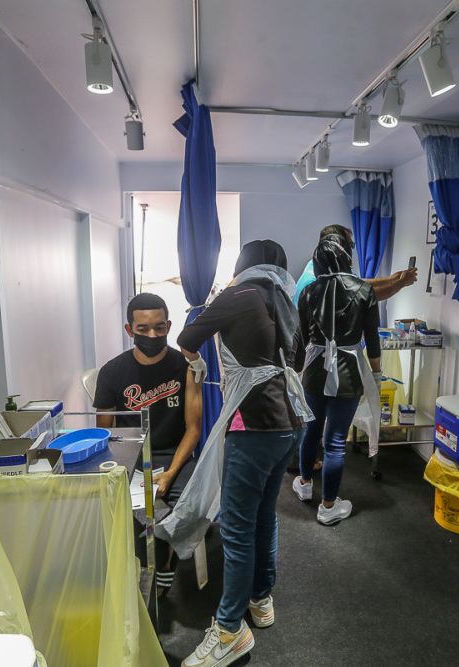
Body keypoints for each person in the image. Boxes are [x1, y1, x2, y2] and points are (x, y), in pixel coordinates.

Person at [175, 240, 309, 667]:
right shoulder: (288, 302)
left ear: (241, 266)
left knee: (235, 527)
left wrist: (197, 364)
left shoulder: (238, 294)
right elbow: (298, 357)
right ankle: (260, 596)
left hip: (252, 424)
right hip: (292, 422)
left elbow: (187, 337)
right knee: (265, 514)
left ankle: (230, 629)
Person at [93, 292, 202, 595]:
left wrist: (170, 473)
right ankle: (149, 563)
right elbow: (106, 434)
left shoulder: (186, 367)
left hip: (176, 455)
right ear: (130, 330)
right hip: (132, 457)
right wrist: (129, 472)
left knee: (191, 505)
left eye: (159, 327)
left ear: (169, 326)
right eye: (143, 329)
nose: (152, 335)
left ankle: (165, 559)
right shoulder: (111, 372)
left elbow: (193, 430)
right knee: (136, 506)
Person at [293, 233, 382, 525]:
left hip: (314, 372)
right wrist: (376, 375)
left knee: (311, 432)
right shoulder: (365, 290)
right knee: (335, 442)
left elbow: (302, 338)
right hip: (348, 372)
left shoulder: (308, 291)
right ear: (346, 257)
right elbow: (373, 340)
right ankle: (328, 507)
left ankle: (305, 484)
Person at [293, 224, 418, 303]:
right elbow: (363, 295)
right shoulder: (316, 279)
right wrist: (401, 282)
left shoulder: (326, 266)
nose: (349, 251)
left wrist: (393, 279)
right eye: (349, 245)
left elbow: (358, 283)